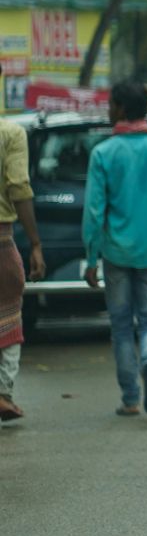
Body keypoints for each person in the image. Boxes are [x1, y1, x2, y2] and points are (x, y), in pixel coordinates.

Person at [82, 81, 147, 417]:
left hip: (115, 252)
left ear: (121, 109)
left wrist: (91, 257)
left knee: (122, 326)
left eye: (111, 105)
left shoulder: (103, 154)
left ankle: (130, 398)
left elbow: (94, 212)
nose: (108, 110)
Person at [0, 113, 41, 423]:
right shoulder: (10, 133)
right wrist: (35, 244)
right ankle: (3, 392)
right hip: (1, 242)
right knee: (9, 317)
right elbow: (19, 187)